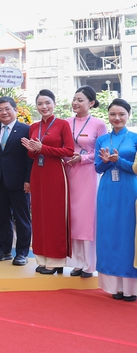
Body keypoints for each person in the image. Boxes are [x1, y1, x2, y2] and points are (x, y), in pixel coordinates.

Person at [21, 89, 74, 274]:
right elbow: (31, 155)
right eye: (40, 104)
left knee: (54, 215)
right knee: (39, 214)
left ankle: (55, 260)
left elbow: (69, 151)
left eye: (47, 103)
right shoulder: (34, 127)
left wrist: (43, 148)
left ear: (54, 104)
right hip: (38, 173)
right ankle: (42, 258)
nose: (44, 107)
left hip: (55, 172)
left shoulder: (62, 124)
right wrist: (33, 150)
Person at [96, 99, 137, 301]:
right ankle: (115, 286)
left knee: (128, 235)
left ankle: (131, 287)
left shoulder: (135, 138)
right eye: (113, 114)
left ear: (129, 115)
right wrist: (105, 162)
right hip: (108, 190)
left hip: (130, 189)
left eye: (121, 114)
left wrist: (118, 161)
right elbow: (97, 168)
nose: (117, 118)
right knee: (109, 233)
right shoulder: (102, 139)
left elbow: (135, 168)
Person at [64, 86, 106, 278]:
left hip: (88, 173)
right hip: (68, 171)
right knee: (72, 217)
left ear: (91, 103)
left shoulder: (99, 124)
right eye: (74, 99)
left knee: (87, 217)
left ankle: (90, 264)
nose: (75, 103)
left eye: (80, 100)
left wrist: (83, 158)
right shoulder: (66, 122)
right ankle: (77, 262)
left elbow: (101, 152)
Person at [0, 97, 32, 265]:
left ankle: (22, 253)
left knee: (22, 218)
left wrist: (28, 180)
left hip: (20, 182)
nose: (4, 112)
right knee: (3, 217)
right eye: (0, 110)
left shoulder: (27, 130)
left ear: (15, 110)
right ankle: (4, 250)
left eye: (7, 109)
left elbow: (30, 158)